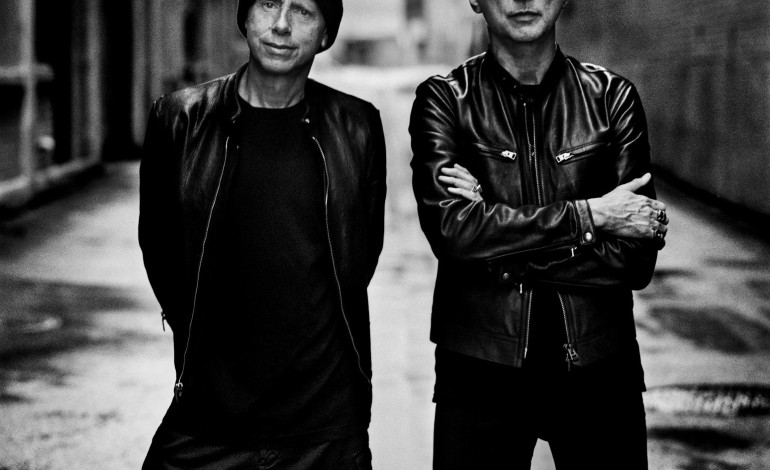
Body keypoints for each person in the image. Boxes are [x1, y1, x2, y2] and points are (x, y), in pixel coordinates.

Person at [409, 1, 668, 468]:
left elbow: (634, 260)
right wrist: (591, 217)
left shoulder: (612, 98)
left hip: (599, 368)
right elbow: (453, 235)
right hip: (479, 372)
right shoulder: (445, 101)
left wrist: (492, 232)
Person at [138, 0, 386, 468]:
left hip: (325, 428)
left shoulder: (357, 126)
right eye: (268, 4)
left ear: (326, 34)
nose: (281, 25)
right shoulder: (180, 120)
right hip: (208, 418)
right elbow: (161, 251)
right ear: (245, 18)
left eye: (303, 11)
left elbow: (359, 257)